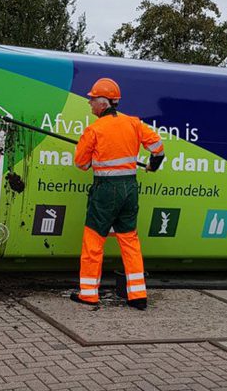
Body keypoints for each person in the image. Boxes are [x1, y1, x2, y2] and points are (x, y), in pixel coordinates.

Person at [70, 78, 165, 310]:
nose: (90, 103)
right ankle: (138, 295)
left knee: (93, 241)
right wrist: (153, 164)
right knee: (129, 239)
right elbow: (158, 147)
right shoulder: (133, 123)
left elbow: (80, 164)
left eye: (92, 100)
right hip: (129, 188)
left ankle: (89, 294)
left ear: (103, 104)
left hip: (105, 189)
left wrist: (94, 159)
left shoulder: (94, 129)